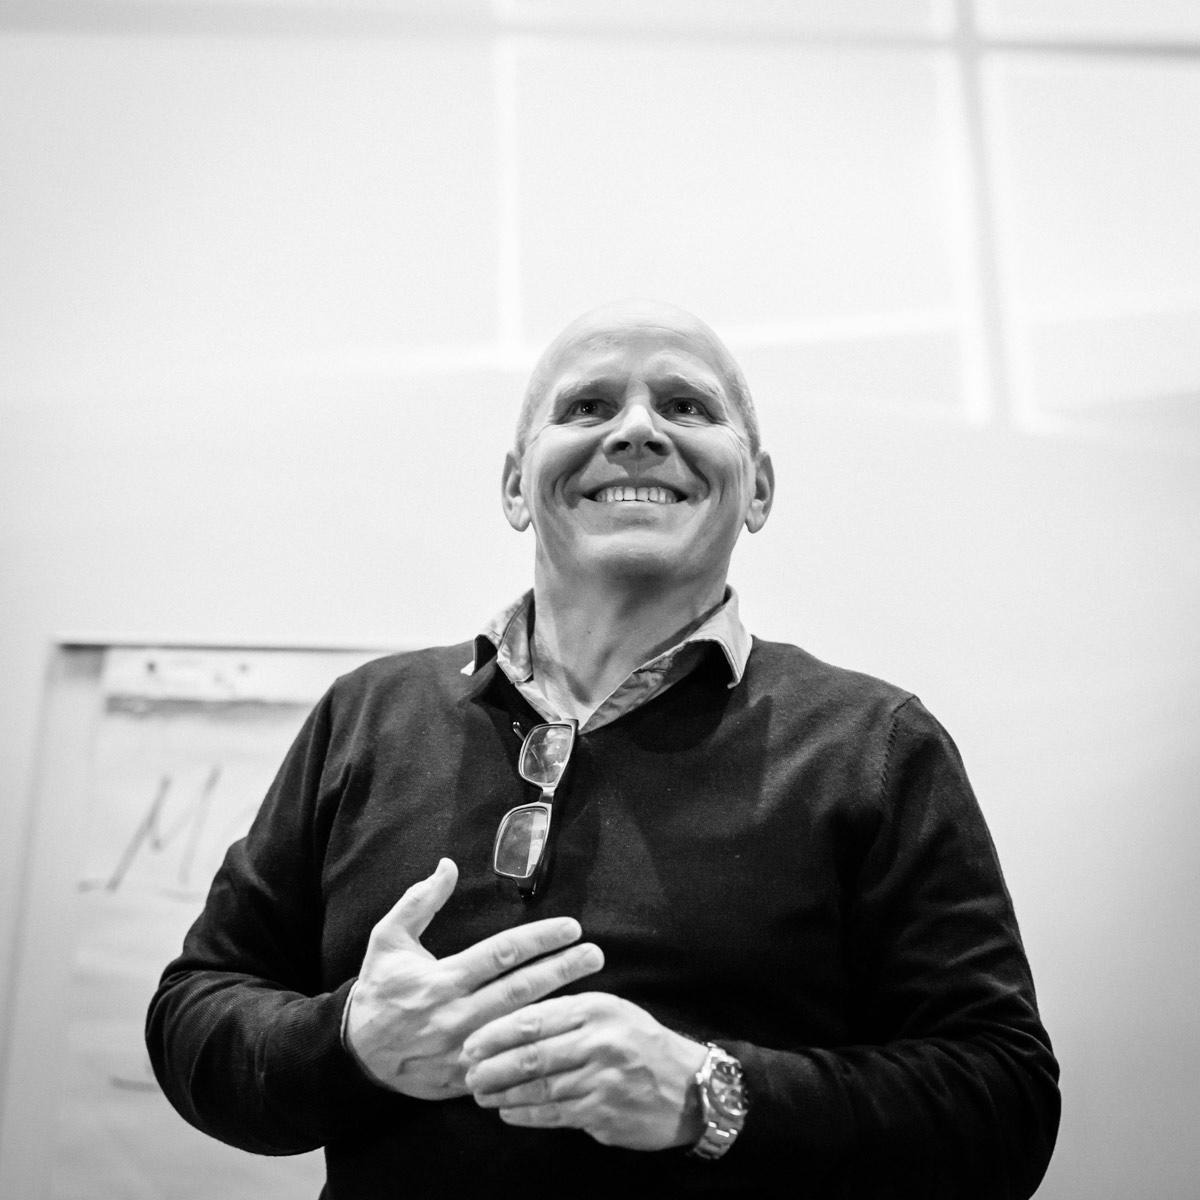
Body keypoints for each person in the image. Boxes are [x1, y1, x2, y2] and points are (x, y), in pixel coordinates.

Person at [147, 301, 1060, 1198]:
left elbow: (1004, 1105)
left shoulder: (877, 745)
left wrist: (710, 1096)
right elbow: (196, 1009)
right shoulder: (367, 714)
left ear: (758, 490)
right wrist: (349, 1041)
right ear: (516, 486)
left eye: (687, 406)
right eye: (587, 406)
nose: (636, 431)